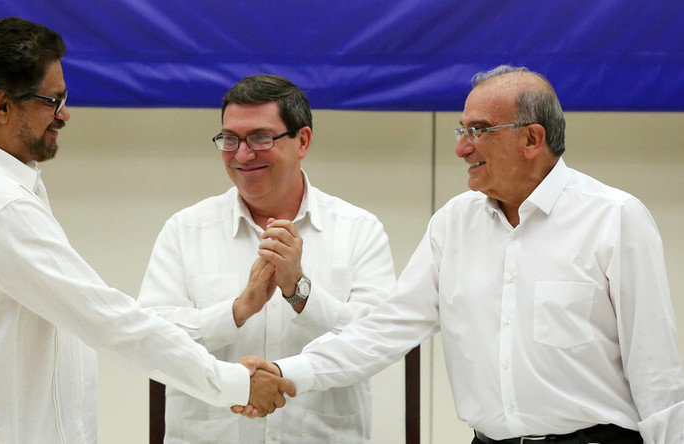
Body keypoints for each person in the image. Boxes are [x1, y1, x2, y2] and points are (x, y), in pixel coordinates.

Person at [244, 66, 684, 443]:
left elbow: (656, 372)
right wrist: (287, 371)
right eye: (462, 130)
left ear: (532, 139)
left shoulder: (614, 217)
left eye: (478, 131)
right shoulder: (453, 224)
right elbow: (382, 332)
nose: (461, 147)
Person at [0, 17, 293, 443]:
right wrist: (233, 384)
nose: (64, 114)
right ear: (1, 107)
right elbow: (106, 320)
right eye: (51, 101)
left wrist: (234, 316)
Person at [138, 74, 396, 442]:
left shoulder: (357, 229)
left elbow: (378, 341)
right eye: (230, 139)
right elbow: (152, 340)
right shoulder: (185, 230)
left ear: (302, 140)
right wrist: (238, 310)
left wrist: (300, 292)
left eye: (260, 138)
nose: (242, 154)